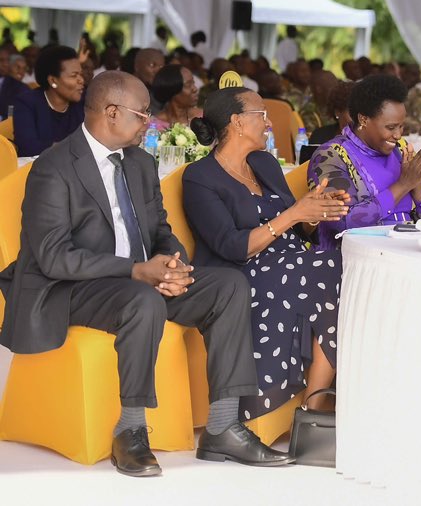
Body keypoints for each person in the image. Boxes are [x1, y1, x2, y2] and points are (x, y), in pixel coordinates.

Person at [0, 72, 291, 477]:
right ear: (112, 112)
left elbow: (159, 230)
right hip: (71, 288)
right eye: (142, 116)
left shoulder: (139, 162)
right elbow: (53, 257)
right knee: (142, 299)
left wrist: (172, 265)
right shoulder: (53, 167)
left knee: (228, 285)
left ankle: (223, 426)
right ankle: (130, 429)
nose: (149, 125)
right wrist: (137, 272)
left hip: (138, 279)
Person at [183, 88, 349, 418]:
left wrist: (316, 214)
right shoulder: (200, 177)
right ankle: (316, 407)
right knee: (332, 267)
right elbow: (232, 247)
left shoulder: (264, 163)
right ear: (237, 122)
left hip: (290, 262)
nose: (270, 123)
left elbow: (298, 227)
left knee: (344, 265)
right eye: (262, 115)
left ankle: (313, 406)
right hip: (240, 274)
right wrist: (295, 214)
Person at [307, 74, 421, 244]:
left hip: (412, 249)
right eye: (390, 127)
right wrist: (403, 185)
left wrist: (417, 182)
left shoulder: (402, 150)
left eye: (401, 126)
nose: (398, 135)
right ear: (363, 119)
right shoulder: (331, 156)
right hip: (358, 257)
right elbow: (342, 221)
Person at [12, 45, 86, 156]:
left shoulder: (83, 103)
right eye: (74, 75)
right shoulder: (27, 103)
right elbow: (27, 147)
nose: (81, 80)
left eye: (80, 74)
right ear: (52, 80)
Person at [151, 64, 201, 130]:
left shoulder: (201, 117)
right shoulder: (155, 126)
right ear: (172, 89)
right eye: (188, 85)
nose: (195, 89)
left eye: (193, 83)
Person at [0, 52, 29, 120]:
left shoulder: (21, 88)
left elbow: (11, 112)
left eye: (24, 68)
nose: (5, 64)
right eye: (17, 67)